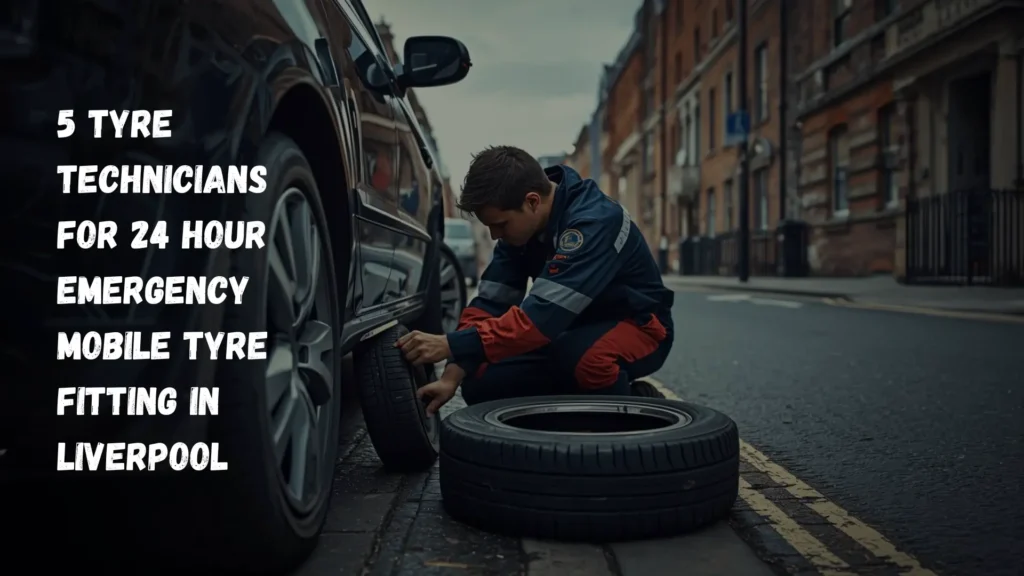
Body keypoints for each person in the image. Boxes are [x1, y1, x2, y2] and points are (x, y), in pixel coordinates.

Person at [396, 145, 675, 414]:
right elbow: (489, 305)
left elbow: (538, 322)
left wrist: (449, 344)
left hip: (641, 328)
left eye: (500, 224)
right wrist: (451, 375)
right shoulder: (520, 231)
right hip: (567, 332)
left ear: (532, 201)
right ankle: (587, 400)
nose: (494, 236)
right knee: (481, 381)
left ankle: (631, 409)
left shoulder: (595, 222)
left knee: (586, 361)